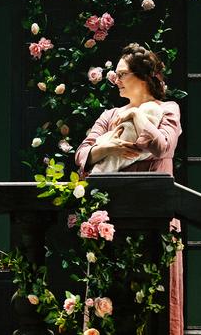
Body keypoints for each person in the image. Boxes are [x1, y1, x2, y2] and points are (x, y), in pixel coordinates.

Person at [75, 43, 183, 335]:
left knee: (151, 298)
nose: (117, 80)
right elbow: (82, 155)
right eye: (115, 75)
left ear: (143, 77)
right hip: (113, 218)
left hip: (153, 217)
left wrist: (137, 117)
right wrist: (105, 147)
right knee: (110, 299)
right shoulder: (110, 115)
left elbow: (162, 147)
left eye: (122, 74)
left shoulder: (167, 110)